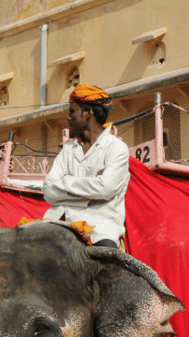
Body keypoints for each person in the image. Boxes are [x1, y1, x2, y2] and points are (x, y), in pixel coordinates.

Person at [42, 85, 130, 248]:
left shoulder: (116, 148)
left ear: (88, 113)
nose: (68, 117)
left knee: (108, 266)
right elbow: (48, 192)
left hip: (100, 228)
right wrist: (93, 186)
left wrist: (64, 182)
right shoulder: (68, 149)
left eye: (72, 112)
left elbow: (106, 189)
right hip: (59, 221)